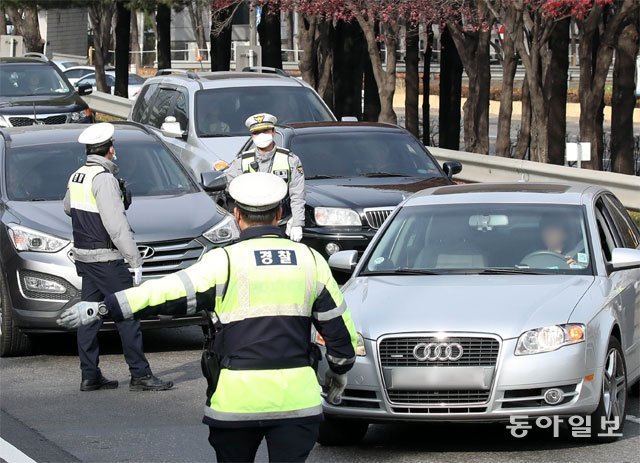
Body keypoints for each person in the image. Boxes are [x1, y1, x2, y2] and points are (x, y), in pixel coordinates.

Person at [58, 172, 357, 462]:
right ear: (280, 213)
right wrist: (339, 371)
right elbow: (340, 329)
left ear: (237, 215)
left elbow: (165, 292)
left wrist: (103, 307)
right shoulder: (310, 261)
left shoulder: (223, 261)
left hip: (236, 402)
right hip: (297, 403)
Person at [62, 122, 173, 392]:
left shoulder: (78, 175)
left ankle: (90, 375)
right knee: (128, 314)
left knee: (89, 315)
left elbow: (68, 207)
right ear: (110, 150)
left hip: (86, 256)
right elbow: (116, 225)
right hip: (107, 258)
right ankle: (140, 375)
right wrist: (134, 259)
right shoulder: (104, 178)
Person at [225, 113, 306, 242]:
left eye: (265, 131)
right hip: (250, 226)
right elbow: (232, 192)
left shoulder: (290, 160)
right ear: (252, 136)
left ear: (273, 132)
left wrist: (297, 223)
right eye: (257, 132)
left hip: (280, 223)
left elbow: (297, 195)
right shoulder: (241, 161)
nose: (261, 135)